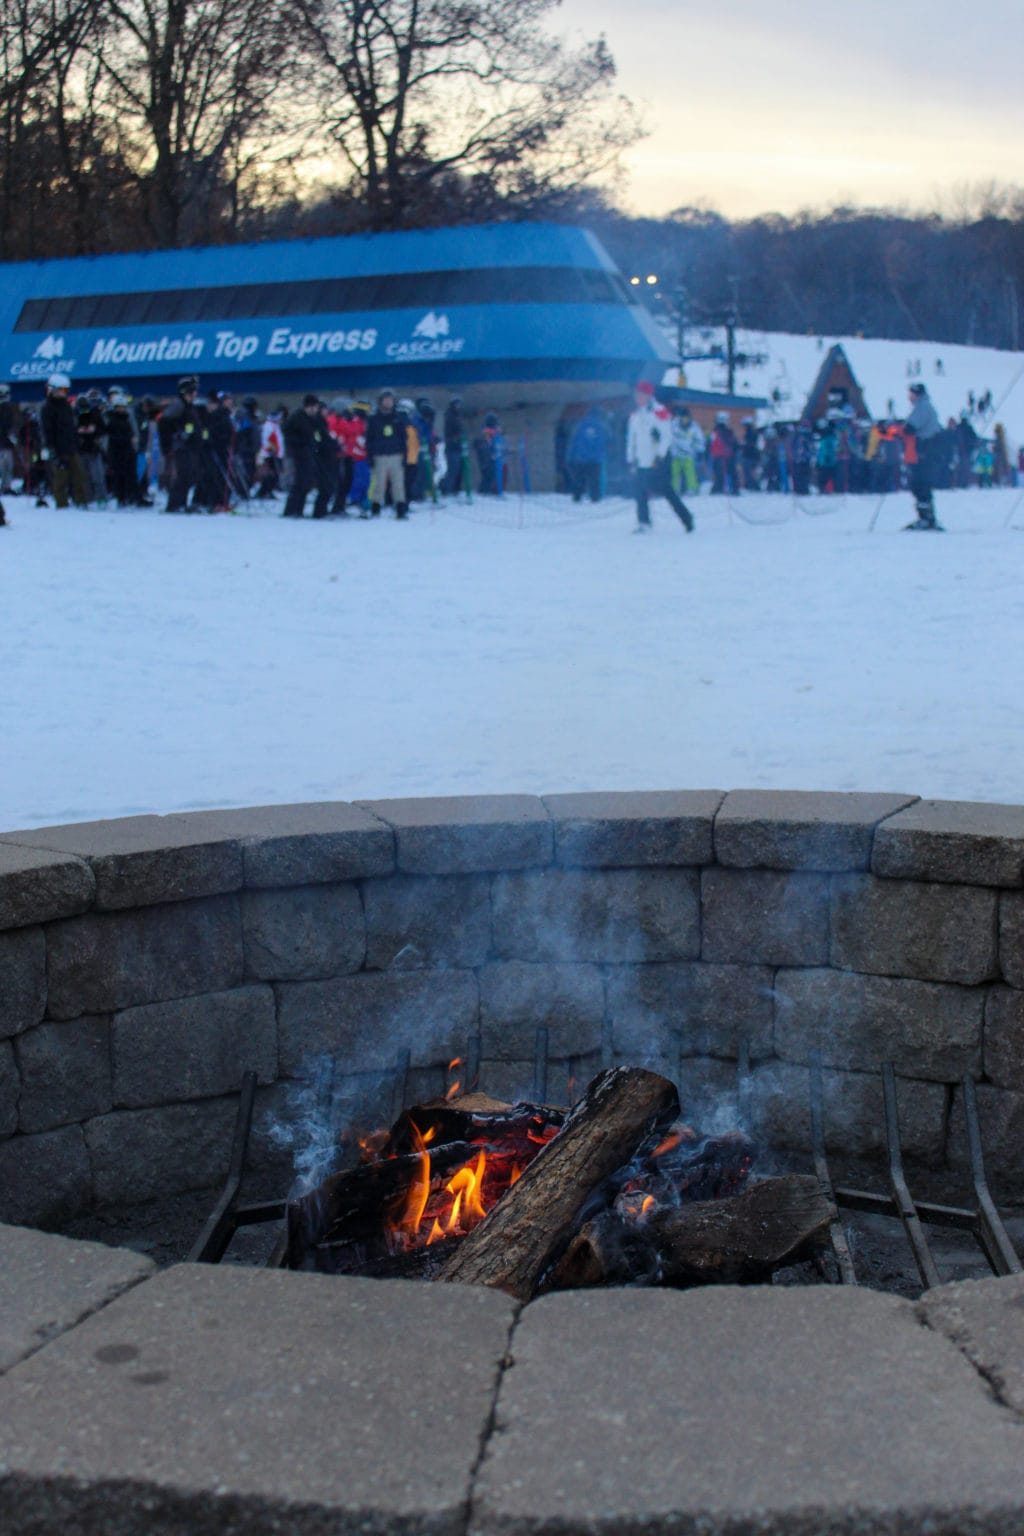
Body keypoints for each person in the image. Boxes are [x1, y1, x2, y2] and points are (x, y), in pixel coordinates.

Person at [625, 381, 694, 533]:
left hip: (657, 460)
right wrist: (630, 458)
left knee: (666, 491)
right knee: (640, 491)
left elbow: (666, 437)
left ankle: (687, 518)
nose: (638, 397)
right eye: (637, 394)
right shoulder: (636, 414)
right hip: (641, 460)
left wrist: (660, 455)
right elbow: (631, 438)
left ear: (648, 395)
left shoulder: (659, 412)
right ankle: (644, 521)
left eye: (641, 394)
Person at [40, 374, 89, 507]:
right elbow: (47, 430)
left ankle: (81, 502)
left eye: (66, 390)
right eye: (62, 390)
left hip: (71, 446)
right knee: (60, 478)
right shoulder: (47, 408)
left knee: (79, 476)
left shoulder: (66, 407)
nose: (64, 393)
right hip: (57, 448)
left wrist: (76, 441)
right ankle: (62, 505)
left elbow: (71, 426)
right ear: (53, 390)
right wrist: (52, 449)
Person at [902, 381, 944, 530]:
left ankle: (926, 518)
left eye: (911, 394)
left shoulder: (923, 407)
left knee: (920, 484)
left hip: (924, 452)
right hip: (924, 452)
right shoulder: (923, 407)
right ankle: (927, 517)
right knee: (921, 484)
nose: (909, 397)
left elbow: (911, 427)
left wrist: (898, 430)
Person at [159, 375, 204, 512]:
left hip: (191, 447)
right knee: (183, 475)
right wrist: (177, 434)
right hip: (182, 447)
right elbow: (164, 422)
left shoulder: (189, 407)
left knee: (190, 475)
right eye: (193, 391)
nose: (195, 394)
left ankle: (182, 503)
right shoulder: (178, 405)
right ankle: (174, 505)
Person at [367, 389, 409, 517]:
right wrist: (371, 456)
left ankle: (400, 508)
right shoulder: (374, 419)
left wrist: (404, 454)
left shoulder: (398, 418)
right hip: (380, 455)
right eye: (385, 400)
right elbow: (369, 438)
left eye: (390, 400)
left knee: (398, 484)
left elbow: (404, 437)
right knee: (379, 484)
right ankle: (376, 508)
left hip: (396, 455)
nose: (388, 402)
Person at [281, 394, 323, 518]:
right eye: (314, 407)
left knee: (306, 483)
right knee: (298, 483)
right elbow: (288, 434)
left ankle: (299, 509)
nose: (316, 410)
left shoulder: (312, 419)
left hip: (307, 455)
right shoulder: (297, 418)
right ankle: (291, 510)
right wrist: (301, 442)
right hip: (297, 455)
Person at [566, 406, 608, 503]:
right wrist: (602, 456)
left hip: (580, 459)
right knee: (594, 482)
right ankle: (595, 499)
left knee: (579, 481)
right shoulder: (600, 426)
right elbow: (603, 442)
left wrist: (571, 457)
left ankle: (577, 498)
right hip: (595, 460)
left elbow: (574, 442)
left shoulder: (580, 425)